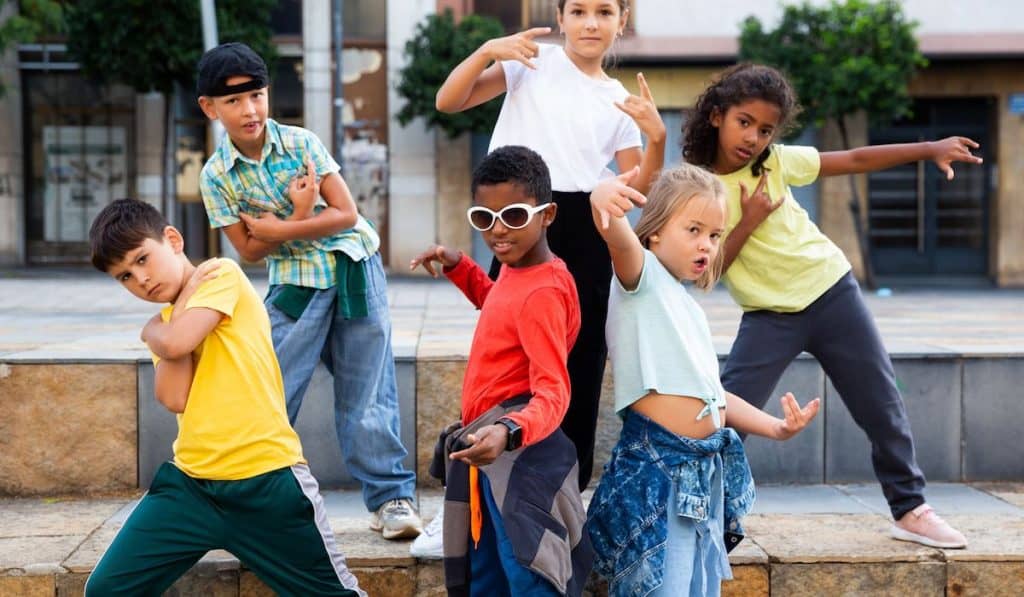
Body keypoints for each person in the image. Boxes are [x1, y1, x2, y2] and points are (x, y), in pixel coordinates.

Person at [681, 62, 983, 548]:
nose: (753, 137)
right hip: (768, 316)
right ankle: (700, 516)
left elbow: (857, 158)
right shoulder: (700, 188)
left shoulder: (777, 163)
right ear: (716, 116)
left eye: (765, 129)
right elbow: (706, 272)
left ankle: (909, 508)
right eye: (744, 122)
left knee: (881, 404)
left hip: (831, 291)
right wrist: (750, 219)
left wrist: (929, 148)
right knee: (725, 413)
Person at [436, 0, 664, 503]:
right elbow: (448, 101)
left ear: (621, 21)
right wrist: (486, 51)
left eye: (604, 12)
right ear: (559, 18)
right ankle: (480, 487)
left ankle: (567, 493)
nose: (589, 22)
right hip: (519, 219)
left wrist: (655, 139)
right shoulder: (530, 62)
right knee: (504, 355)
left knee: (580, 364)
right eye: (578, 10)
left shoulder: (619, 99)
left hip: (587, 225)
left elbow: (635, 185)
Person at [195, 42, 420, 539]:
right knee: (270, 386)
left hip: (353, 269)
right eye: (232, 102)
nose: (249, 109)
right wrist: (297, 217)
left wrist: (276, 230)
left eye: (256, 95)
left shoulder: (300, 143)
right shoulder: (216, 177)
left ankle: (392, 500)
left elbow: (346, 215)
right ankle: (257, 495)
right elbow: (247, 252)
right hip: (293, 286)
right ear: (209, 108)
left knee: (368, 390)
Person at [83, 199, 365, 597]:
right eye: (125, 276)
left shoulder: (221, 274)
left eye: (143, 259)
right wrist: (165, 323)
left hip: (266, 483)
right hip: (191, 487)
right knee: (106, 591)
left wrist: (152, 331)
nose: (141, 279)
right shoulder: (168, 322)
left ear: (173, 239)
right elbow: (173, 397)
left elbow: (179, 341)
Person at [585, 164, 819, 596]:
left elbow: (716, 398)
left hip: (701, 474)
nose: (706, 245)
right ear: (654, 232)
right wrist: (603, 197)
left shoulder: (687, 306)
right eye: (693, 230)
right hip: (658, 472)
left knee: (698, 587)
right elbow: (618, 239)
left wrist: (776, 428)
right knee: (661, 587)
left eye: (714, 235)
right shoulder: (641, 278)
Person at [410, 146, 592, 596]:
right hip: (492, 455)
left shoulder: (543, 292)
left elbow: (553, 390)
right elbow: (499, 306)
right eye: (483, 218)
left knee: (527, 572)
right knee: (487, 572)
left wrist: (510, 432)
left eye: (512, 216)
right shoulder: (519, 271)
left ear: (547, 214)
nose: (497, 230)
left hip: (517, 458)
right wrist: (461, 267)